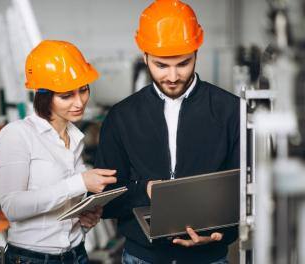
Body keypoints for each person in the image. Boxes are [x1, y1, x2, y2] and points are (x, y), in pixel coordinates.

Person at [95, 0, 240, 263]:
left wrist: (222, 233)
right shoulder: (121, 117)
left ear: (197, 51)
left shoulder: (231, 111)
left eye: (183, 64)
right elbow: (105, 201)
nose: (172, 76)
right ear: (145, 57)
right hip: (142, 257)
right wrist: (145, 190)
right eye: (161, 65)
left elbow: (243, 189)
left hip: (208, 257)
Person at [0, 40, 117, 264]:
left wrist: (84, 217)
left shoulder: (75, 138)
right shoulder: (17, 135)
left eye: (83, 90)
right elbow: (12, 207)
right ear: (44, 96)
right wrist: (80, 183)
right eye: (66, 96)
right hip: (32, 258)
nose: (79, 102)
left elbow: (63, 205)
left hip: (76, 253)